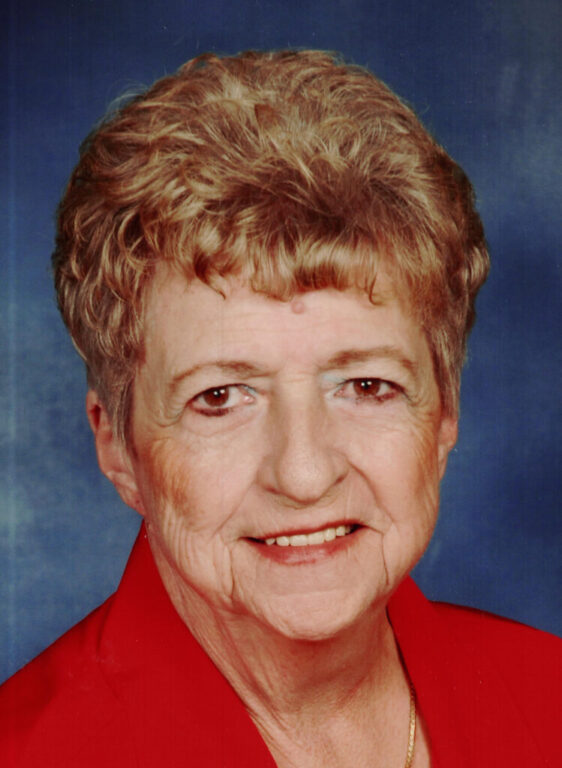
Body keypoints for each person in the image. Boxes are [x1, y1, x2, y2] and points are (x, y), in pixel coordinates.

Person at [0, 50, 560, 768]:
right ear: (118, 448)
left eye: (366, 386)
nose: (303, 474)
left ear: (444, 413)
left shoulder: (548, 695)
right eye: (220, 398)